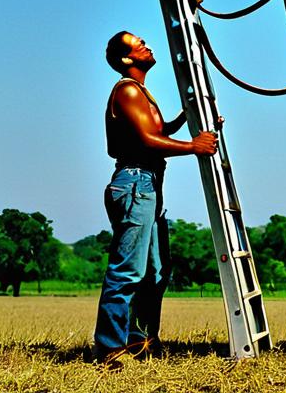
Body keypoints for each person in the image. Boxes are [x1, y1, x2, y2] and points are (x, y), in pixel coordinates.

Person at [93, 31, 219, 368]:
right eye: (138, 44)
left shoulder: (142, 93)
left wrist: (193, 122)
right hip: (134, 184)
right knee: (127, 272)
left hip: (149, 185)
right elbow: (148, 140)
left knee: (156, 271)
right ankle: (108, 350)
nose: (146, 45)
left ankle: (141, 340)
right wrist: (194, 147)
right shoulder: (128, 90)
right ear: (126, 59)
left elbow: (157, 133)